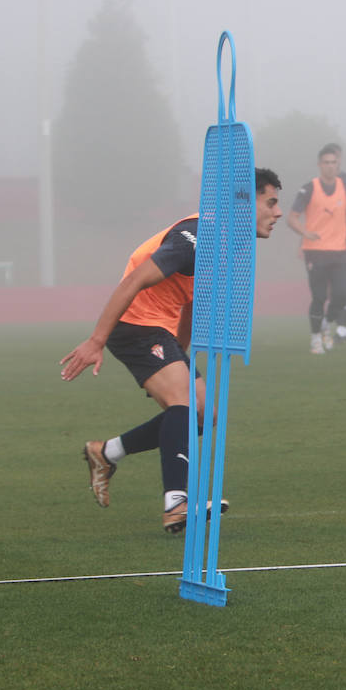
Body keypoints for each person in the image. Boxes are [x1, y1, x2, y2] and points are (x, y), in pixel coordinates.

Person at [60, 169, 283, 532]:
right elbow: (133, 281)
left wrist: (179, 352)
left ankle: (106, 452)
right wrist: (96, 340)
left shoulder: (232, 242)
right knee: (182, 399)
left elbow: (193, 300)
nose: (278, 213)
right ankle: (176, 502)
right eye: (271, 203)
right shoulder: (194, 237)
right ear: (244, 204)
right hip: (134, 324)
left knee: (203, 411)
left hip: (161, 328)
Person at [287, 144, 346, 354]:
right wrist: (304, 234)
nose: (330, 166)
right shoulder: (309, 188)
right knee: (319, 297)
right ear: (319, 165)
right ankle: (316, 337)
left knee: (343, 293)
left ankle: (325, 322)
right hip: (316, 251)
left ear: (338, 164)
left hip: (340, 250)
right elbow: (291, 217)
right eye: (326, 162)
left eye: (333, 162)